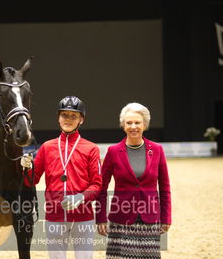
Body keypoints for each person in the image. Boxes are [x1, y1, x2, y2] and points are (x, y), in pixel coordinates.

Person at [21, 96, 102, 259]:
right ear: (58, 118)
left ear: (81, 120)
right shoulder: (47, 147)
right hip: (54, 217)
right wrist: (25, 168)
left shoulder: (91, 148)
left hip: (83, 216)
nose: (68, 119)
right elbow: (32, 181)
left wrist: (81, 197)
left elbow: (97, 184)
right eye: (64, 115)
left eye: (74, 115)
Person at [95, 103, 171, 258]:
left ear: (145, 125)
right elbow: (101, 188)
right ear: (123, 125)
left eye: (137, 122)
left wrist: (166, 217)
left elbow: (164, 188)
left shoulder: (157, 150)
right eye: (129, 123)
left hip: (149, 219)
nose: (133, 126)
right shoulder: (113, 151)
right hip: (121, 219)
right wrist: (101, 218)